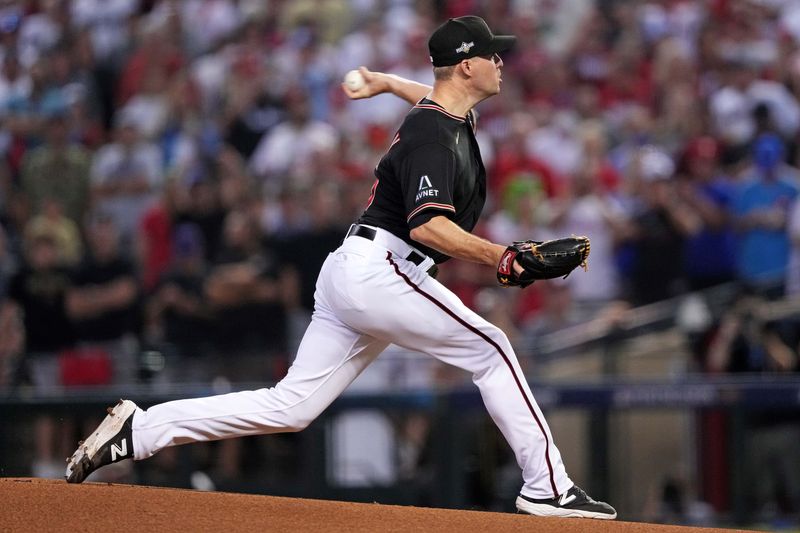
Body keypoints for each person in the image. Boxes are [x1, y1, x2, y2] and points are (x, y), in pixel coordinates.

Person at [65, 16, 616, 520]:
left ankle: (140, 430)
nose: (501, 63)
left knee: (292, 406)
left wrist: (383, 80)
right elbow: (427, 227)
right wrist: (501, 256)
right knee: (491, 347)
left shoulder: (441, 113)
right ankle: (546, 485)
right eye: (492, 55)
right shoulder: (433, 134)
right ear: (466, 65)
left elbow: (430, 93)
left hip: (360, 270)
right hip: (385, 269)